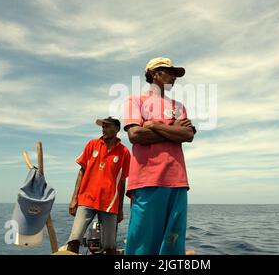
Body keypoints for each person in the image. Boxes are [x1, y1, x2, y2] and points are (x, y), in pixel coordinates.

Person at [123, 57, 196, 255]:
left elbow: (188, 135)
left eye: (175, 74)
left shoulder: (178, 106)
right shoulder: (135, 100)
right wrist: (173, 129)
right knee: (142, 241)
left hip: (177, 180)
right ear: (155, 74)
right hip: (147, 180)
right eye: (169, 72)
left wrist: (154, 125)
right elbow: (135, 135)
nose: (173, 77)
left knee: (173, 241)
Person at [66, 117, 130, 255]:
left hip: (109, 204)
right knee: (74, 240)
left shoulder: (124, 152)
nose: (103, 129)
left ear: (117, 129)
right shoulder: (92, 144)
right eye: (103, 126)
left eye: (107, 126)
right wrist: (74, 199)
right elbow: (81, 171)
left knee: (110, 246)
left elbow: (122, 182)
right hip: (86, 200)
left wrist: (120, 209)